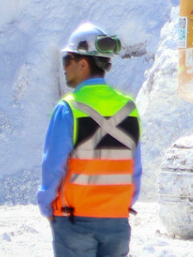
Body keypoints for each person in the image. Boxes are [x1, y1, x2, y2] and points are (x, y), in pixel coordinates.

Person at [38, 23, 140, 257]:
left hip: (75, 219)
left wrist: (46, 204)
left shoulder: (69, 109)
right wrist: (117, 207)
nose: (64, 68)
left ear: (82, 64)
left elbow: (53, 166)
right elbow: (135, 171)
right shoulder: (129, 109)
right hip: (117, 222)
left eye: (67, 60)